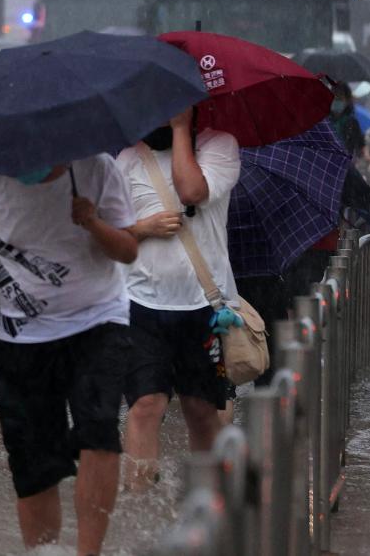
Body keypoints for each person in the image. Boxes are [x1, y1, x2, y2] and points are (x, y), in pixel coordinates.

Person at [0, 157, 138, 555]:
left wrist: (91, 221)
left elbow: (128, 250)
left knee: (99, 429)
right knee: (33, 464)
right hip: (21, 336)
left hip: (97, 320)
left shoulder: (98, 169)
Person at [116, 108, 241, 490]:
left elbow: (192, 192)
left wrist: (181, 128)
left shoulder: (220, 145)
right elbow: (107, 236)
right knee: (144, 407)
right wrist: (143, 228)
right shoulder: (128, 158)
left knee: (202, 411)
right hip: (141, 305)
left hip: (205, 307)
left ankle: (207, 507)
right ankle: (141, 508)